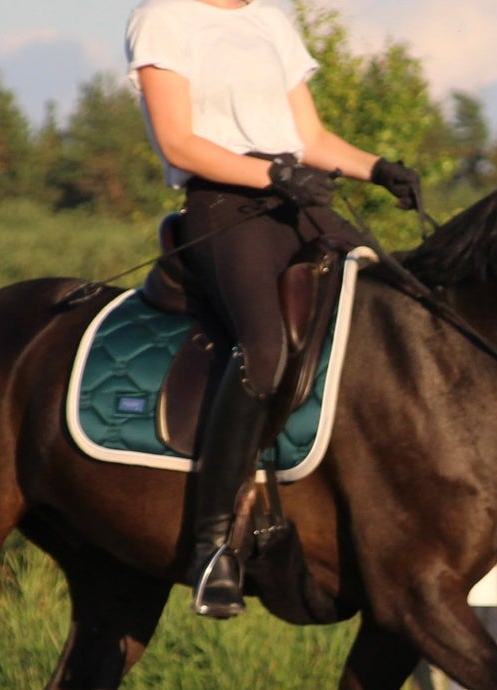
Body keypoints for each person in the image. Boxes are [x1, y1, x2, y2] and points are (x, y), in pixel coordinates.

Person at [125, 0, 422, 618]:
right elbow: (179, 142)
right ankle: (212, 546)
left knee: (396, 308)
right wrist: (273, 177)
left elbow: (309, 140)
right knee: (264, 349)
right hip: (224, 207)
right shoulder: (164, 17)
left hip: (297, 201)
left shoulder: (269, 19)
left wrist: (377, 169)